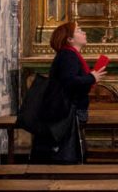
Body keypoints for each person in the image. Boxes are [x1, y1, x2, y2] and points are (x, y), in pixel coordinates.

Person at [31, 22, 106, 164]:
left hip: (70, 109)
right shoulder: (68, 55)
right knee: (67, 153)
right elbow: (69, 81)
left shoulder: (69, 54)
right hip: (68, 111)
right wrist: (91, 77)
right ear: (69, 39)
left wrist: (90, 76)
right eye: (79, 30)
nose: (84, 33)